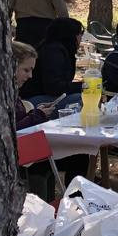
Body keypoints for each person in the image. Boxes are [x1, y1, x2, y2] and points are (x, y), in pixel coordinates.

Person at [13, 40, 88, 193]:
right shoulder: (0, 95)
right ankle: (43, 206)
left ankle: (74, 201)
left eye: (31, 70)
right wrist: (38, 115)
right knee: (45, 163)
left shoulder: (12, 91)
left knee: (79, 155)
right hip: (18, 156)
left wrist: (36, 113)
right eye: (26, 70)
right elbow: (11, 130)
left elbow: (17, 122)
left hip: (24, 149)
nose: (30, 76)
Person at [20, 17, 85, 102]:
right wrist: (84, 86)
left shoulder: (55, 48)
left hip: (40, 96)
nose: (81, 38)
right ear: (72, 35)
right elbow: (54, 87)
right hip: (34, 99)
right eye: (80, 33)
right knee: (82, 98)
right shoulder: (54, 52)